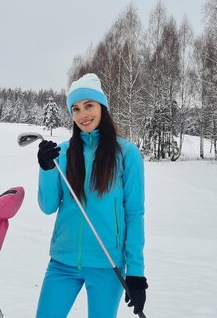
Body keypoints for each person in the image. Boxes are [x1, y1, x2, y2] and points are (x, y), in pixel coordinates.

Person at [35, 73, 148, 318]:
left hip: (107, 266)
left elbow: (134, 214)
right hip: (62, 262)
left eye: (89, 105)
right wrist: (46, 169)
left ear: (102, 107)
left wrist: (136, 273)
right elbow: (48, 206)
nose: (82, 115)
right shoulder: (62, 152)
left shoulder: (126, 154)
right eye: (75, 109)